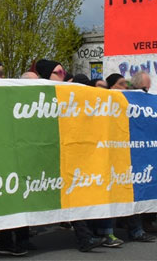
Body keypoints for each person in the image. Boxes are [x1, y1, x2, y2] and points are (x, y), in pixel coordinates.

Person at [34, 59, 106, 252]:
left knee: (73, 196)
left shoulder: (68, 94)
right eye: (58, 73)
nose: (63, 75)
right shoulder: (36, 93)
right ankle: (12, 239)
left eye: (64, 72)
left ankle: (85, 238)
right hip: (44, 155)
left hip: (67, 155)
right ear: (48, 74)